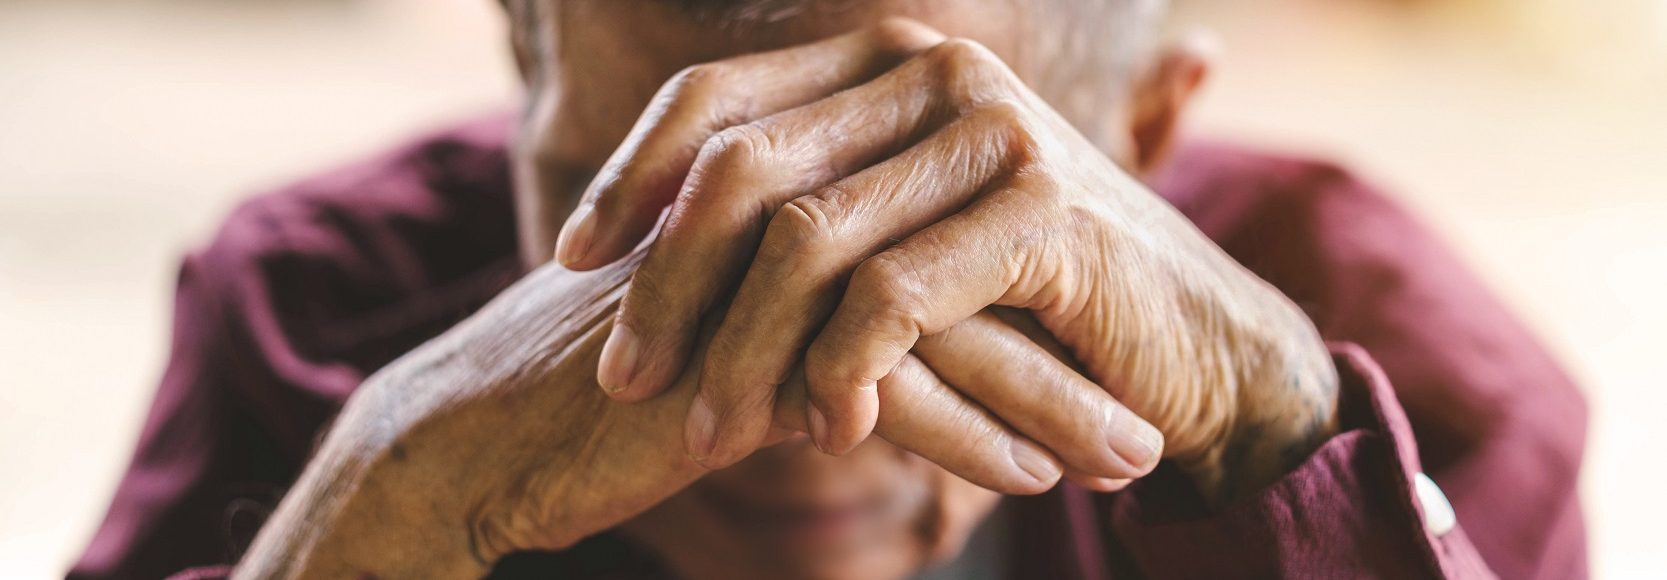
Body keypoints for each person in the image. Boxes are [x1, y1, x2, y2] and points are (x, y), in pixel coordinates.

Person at [69, 1, 1589, 578]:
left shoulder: (1387, 366)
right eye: (677, 240)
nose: (790, 406)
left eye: (949, 241)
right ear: (524, 56)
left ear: (1138, 144)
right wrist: (369, 524)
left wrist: (1278, 439)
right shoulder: (317, 317)